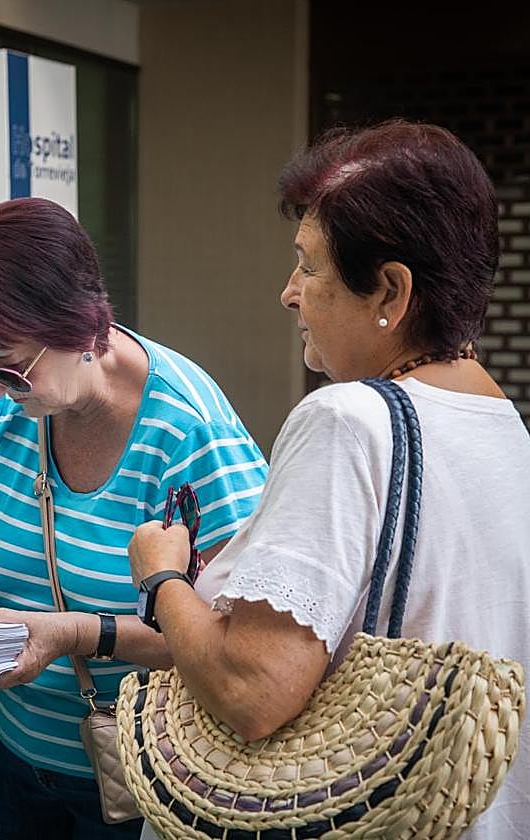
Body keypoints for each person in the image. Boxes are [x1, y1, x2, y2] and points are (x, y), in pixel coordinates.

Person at [128, 120, 530, 840]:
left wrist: (162, 578)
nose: (289, 293)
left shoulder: (347, 420)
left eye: (308, 267)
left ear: (391, 291)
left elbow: (253, 692)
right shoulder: (503, 424)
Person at [0, 197, 269, 839]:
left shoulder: (190, 434)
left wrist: (75, 634)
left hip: (148, 774)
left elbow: (237, 645)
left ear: (82, 330)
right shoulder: (9, 410)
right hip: (17, 756)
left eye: (10, 369)